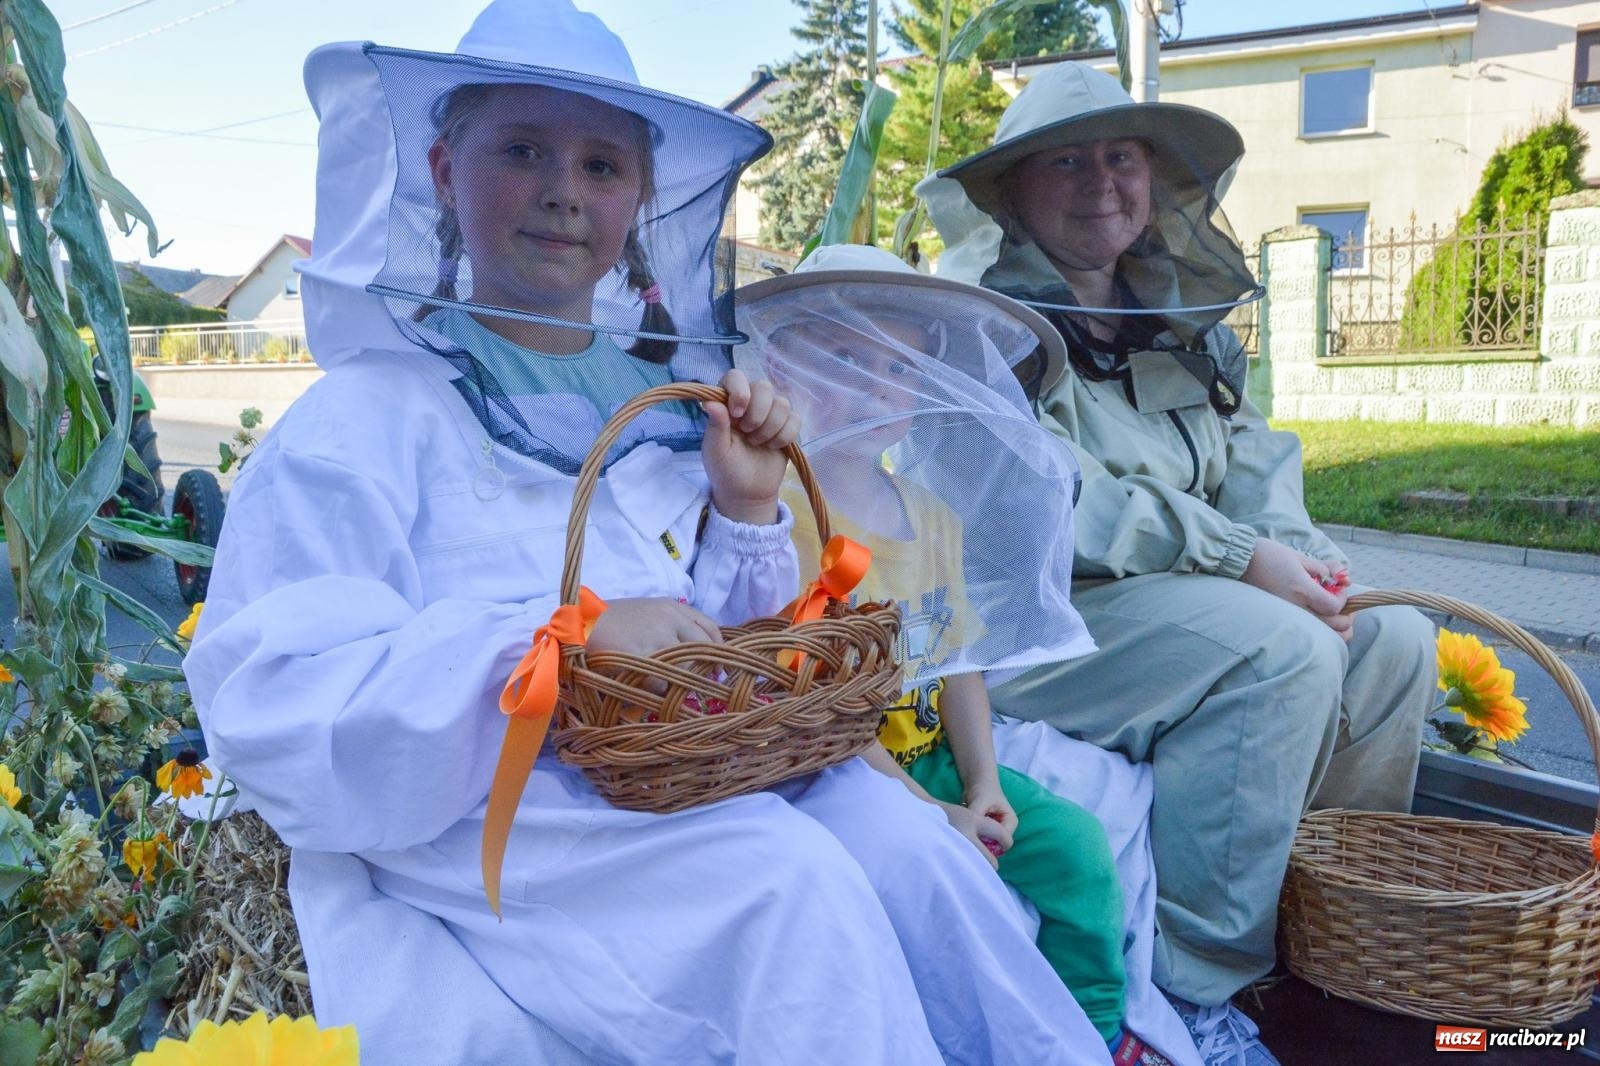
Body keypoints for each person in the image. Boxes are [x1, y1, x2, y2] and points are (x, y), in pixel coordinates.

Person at [182, 4, 1115, 1063]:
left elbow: (719, 643)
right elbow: (278, 691)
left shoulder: (664, 413)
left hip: (692, 767)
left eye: (600, 165)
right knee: (785, 889)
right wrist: (546, 646)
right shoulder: (357, 425)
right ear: (445, 171)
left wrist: (746, 508)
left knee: (914, 855)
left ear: (640, 200)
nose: (561, 192)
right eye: (522, 150)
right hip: (505, 804)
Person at [918, 63, 1438, 1066]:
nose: (1100, 181)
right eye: (1066, 160)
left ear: (1154, 180)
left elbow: (1255, 467)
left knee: (1395, 641)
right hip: (1034, 629)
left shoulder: (1177, 321)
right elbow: (1040, 496)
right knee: (1279, 652)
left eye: (1121, 157)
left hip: (1175, 609)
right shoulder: (981, 326)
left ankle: (1325, 936)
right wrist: (1239, 557)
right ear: (1014, 190)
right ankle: (1188, 991)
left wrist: (1314, 566)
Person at [738, 242, 1204, 1066]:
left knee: (1079, 851)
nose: (875, 384)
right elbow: (807, 707)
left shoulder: (930, 514)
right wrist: (931, 817)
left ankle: (1091, 1032)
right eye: (845, 356)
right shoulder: (782, 517)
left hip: (932, 764)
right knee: (933, 891)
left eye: (900, 367)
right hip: (832, 773)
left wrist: (981, 784)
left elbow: (956, 666)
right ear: (783, 362)